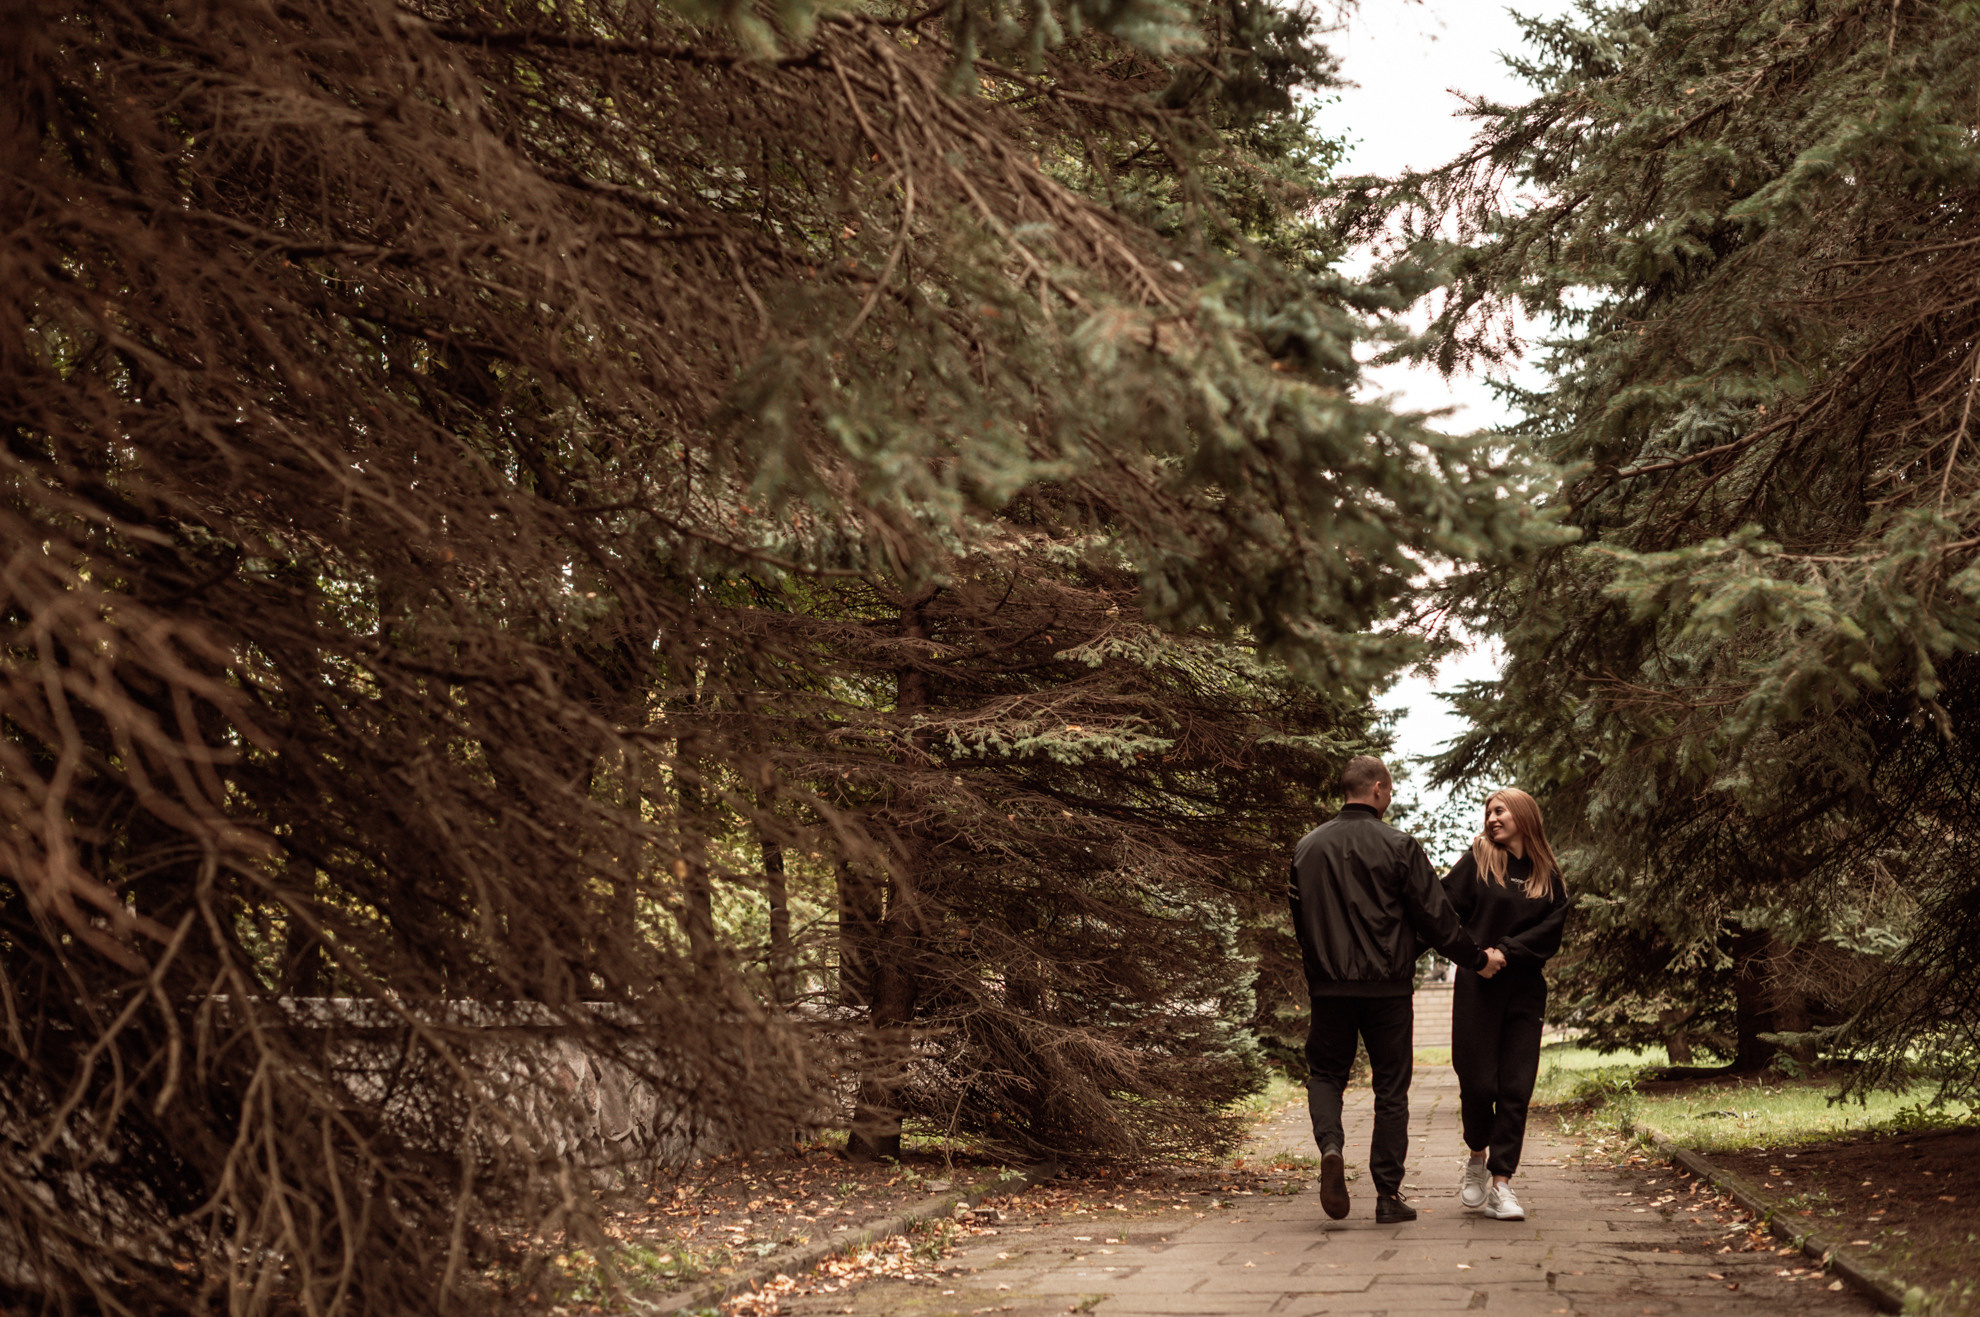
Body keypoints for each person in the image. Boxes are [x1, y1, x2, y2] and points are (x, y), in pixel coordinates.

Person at [1288, 755, 1506, 1224]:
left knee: (1326, 1075)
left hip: (1329, 988)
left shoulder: (1307, 848)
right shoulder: (1399, 845)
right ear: (1379, 790)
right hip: (1387, 989)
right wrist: (1477, 959)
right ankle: (1387, 1196)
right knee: (1391, 1088)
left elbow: (1301, 923)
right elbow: (1438, 918)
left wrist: (1319, 970)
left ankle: (1331, 1146)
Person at [1444, 787, 1571, 1223]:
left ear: (1522, 814)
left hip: (1524, 991)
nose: (1492, 817)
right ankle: (1477, 1154)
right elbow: (1440, 912)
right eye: (1488, 811)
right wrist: (1477, 958)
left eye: (1500, 810)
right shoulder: (1479, 860)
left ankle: (1502, 1184)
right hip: (1478, 988)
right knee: (1478, 1084)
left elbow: (1552, 931)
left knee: (1516, 1088)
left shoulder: (1546, 873)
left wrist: (1506, 951)